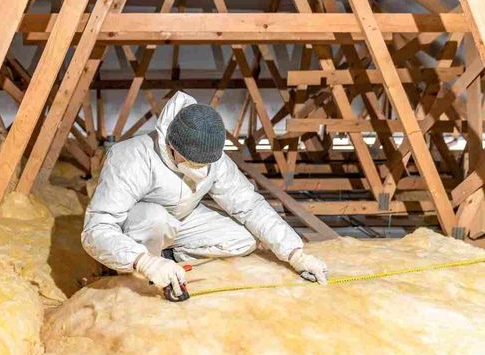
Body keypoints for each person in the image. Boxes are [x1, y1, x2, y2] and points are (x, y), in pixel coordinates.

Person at [82, 92, 328, 299]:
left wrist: (296, 253)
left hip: (181, 220)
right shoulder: (132, 157)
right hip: (139, 225)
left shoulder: (213, 157)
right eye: (192, 162)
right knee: (156, 218)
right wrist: (144, 261)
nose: (199, 169)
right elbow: (97, 229)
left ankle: (169, 257)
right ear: (172, 146)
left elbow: (249, 205)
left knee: (243, 239)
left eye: (204, 164)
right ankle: (135, 265)